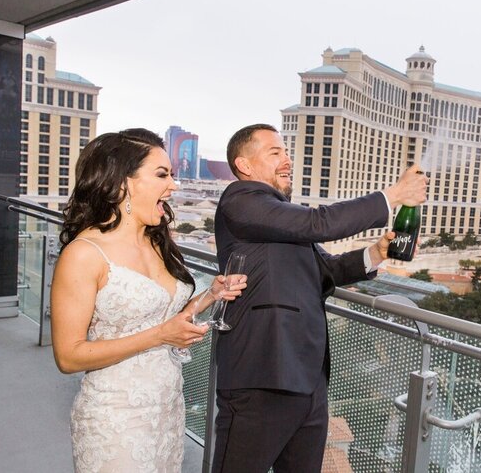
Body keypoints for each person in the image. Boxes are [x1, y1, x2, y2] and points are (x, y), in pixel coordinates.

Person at [212, 124, 428, 472]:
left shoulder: (280, 218)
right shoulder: (241, 200)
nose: (288, 159)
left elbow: (326, 272)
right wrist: (394, 195)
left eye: (286, 152)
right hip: (261, 375)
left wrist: (376, 252)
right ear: (245, 166)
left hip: (306, 380)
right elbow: (319, 222)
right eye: (275, 152)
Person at [50, 128, 247, 472]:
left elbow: (165, 316)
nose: (174, 185)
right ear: (122, 182)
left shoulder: (156, 241)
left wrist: (210, 296)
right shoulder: (84, 254)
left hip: (168, 410)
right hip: (115, 420)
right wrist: (160, 336)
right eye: (162, 175)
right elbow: (68, 356)